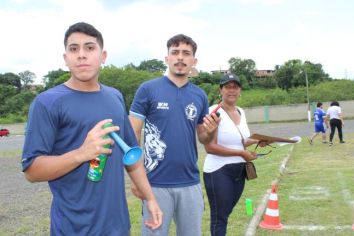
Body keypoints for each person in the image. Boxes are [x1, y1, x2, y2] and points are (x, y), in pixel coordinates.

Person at [21, 22, 162, 235]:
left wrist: (150, 197)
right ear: (66, 58)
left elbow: (131, 156)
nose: (81, 55)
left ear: (103, 56)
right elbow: (32, 171)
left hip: (117, 226)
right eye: (73, 49)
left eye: (89, 47)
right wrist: (82, 153)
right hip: (73, 227)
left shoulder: (114, 97)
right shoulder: (47, 103)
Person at [129, 34, 219, 235]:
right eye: (175, 52)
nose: (180, 58)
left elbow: (203, 138)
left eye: (186, 53)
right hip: (155, 185)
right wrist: (136, 180)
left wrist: (210, 132)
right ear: (166, 58)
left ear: (193, 61)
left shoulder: (199, 95)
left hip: (190, 183)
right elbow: (132, 135)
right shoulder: (148, 89)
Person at [203, 73, 261, 236]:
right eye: (227, 87)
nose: (231, 90)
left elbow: (241, 140)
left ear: (240, 90)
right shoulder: (213, 112)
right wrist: (242, 153)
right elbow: (210, 147)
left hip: (239, 171)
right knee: (219, 218)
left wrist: (258, 141)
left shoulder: (241, 111)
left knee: (225, 214)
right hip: (219, 171)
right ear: (220, 90)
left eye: (235, 87)